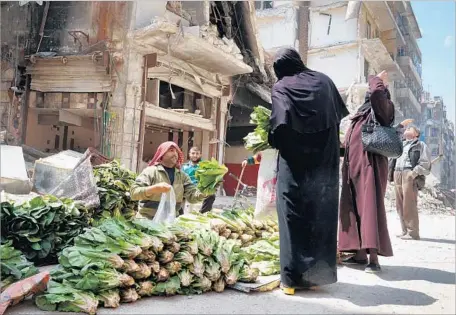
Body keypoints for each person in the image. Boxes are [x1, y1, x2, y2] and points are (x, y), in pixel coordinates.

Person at [268, 47, 349, 295]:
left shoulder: (281, 87)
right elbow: (336, 119)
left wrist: (272, 139)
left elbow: (280, 125)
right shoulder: (324, 81)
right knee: (320, 214)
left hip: (294, 164)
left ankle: (291, 280)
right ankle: (316, 277)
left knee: (292, 215)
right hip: (324, 161)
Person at [339, 70, 401, 273]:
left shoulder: (384, 109)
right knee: (355, 207)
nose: (369, 92)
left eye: (371, 89)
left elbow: (376, 94)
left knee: (370, 207)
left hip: (370, 167)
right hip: (354, 168)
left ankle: (373, 258)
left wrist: (377, 79)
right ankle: (359, 254)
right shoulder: (360, 115)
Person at [130, 141, 207, 219]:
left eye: (176, 151)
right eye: (171, 150)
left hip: (171, 222)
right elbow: (134, 193)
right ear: (162, 154)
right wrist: (154, 189)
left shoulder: (182, 176)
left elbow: (192, 197)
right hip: (148, 220)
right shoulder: (151, 171)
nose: (175, 153)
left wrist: (205, 192)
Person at [389, 126, 431, 240]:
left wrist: (414, 173)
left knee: (409, 204)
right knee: (399, 205)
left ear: (416, 134)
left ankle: (413, 233)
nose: (407, 129)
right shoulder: (400, 144)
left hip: (409, 173)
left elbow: (426, 163)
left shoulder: (420, 145)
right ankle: (405, 230)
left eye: (410, 128)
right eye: (406, 128)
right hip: (397, 172)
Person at [182, 146, 216, 213]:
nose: (195, 155)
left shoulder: (206, 166)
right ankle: (180, 214)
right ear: (189, 154)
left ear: (200, 155)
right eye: (193, 153)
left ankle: (203, 213)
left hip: (201, 188)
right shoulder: (185, 167)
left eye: (197, 153)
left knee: (211, 195)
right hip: (188, 189)